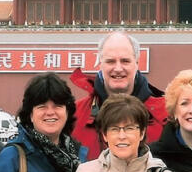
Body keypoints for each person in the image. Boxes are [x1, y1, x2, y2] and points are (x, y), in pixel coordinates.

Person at [69, 31, 168, 160]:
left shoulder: (165, 115)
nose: (118, 68)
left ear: (137, 63)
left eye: (125, 61)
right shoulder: (74, 116)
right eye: (110, 61)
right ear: (100, 64)